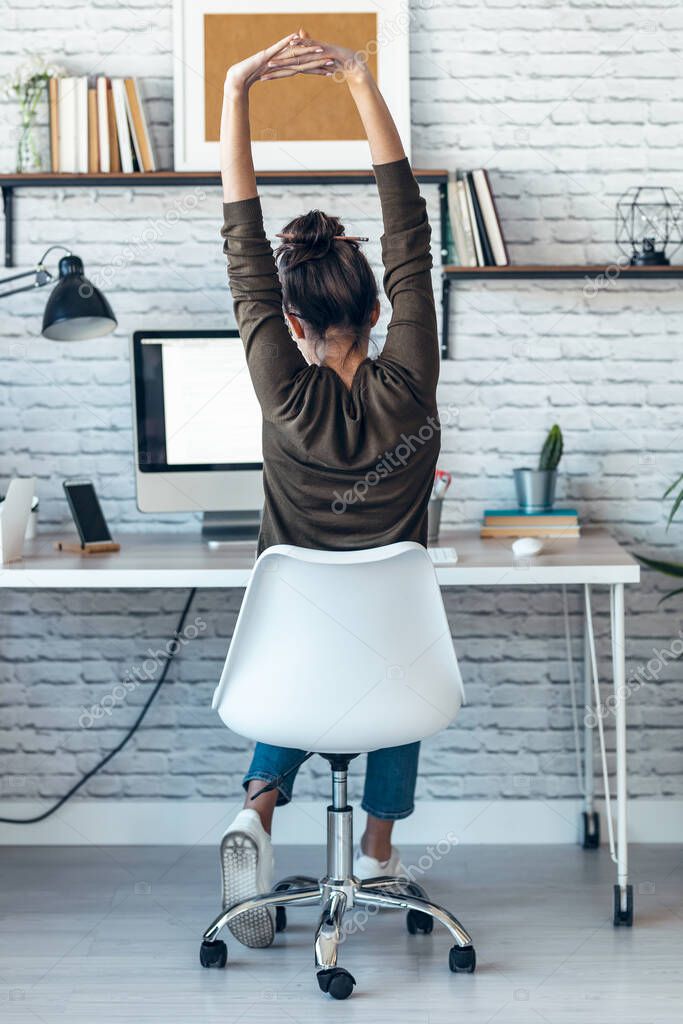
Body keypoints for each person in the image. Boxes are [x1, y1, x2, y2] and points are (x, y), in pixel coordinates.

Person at [218, 31, 441, 949]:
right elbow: (409, 236)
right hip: (391, 661)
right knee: (394, 662)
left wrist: (236, 89)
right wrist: (358, 80)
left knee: (297, 667)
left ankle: (257, 818)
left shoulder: (282, 390)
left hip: (292, 661)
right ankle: (380, 854)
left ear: (293, 321)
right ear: (382, 311)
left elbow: (243, 248)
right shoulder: (410, 383)